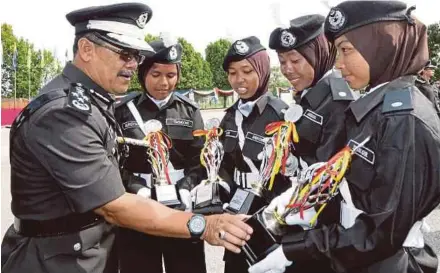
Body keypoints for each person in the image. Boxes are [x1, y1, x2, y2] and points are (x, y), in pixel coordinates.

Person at [1, 4, 253, 273]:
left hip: (82, 253)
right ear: (86, 50)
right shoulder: (65, 115)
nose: (133, 64)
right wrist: (203, 224)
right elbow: (114, 206)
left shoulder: (93, 102)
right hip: (55, 261)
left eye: (135, 56)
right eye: (124, 54)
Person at [248, 1, 440, 273]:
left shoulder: (403, 118)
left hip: (388, 262)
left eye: (346, 50)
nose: (338, 64)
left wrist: (297, 249)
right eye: (337, 52)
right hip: (357, 255)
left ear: (380, 45)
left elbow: (383, 231)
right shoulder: (379, 107)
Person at [266, 14, 356, 273]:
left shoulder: (338, 98)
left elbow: (330, 172)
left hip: (323, 226)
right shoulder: (307, 95)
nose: (287, 69)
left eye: (295, 60)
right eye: (282, 61)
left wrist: (294, 166)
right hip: (302, 216)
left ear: (319, 54)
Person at [115, 36, 207, 273]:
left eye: (171, 75)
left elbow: (201, 160)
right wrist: (137, 188)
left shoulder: (190, 111)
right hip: (137, 205)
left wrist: (187, 186)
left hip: (180, 204)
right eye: (155, 74)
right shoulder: (123, 111)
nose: (164, 82)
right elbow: (112, 162)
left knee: (187, 267)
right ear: (143, 73)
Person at [218, 36, 293, 273]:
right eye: (232, 73)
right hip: (235, 214)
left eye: (247, 71)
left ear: (261, 70)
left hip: (269, 216)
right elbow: (223, 165)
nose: (239, 80)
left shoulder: (282, 115)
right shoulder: (229, 116)